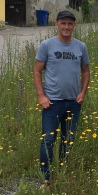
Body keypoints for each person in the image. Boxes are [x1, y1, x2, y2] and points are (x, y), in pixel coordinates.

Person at [33, 10, 90, 182]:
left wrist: (82, 92)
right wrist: (41, 95)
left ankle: (63, 172)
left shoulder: (81, 47)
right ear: (56, 24)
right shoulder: (47, 46)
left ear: (74, 26)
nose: (66, 27)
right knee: (48, 140)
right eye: (63, 23)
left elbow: (86, 71)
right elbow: (37, 71)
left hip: (73, 102)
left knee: (68, 140)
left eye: (70, 23)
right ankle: (46, 178)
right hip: (52, 103)